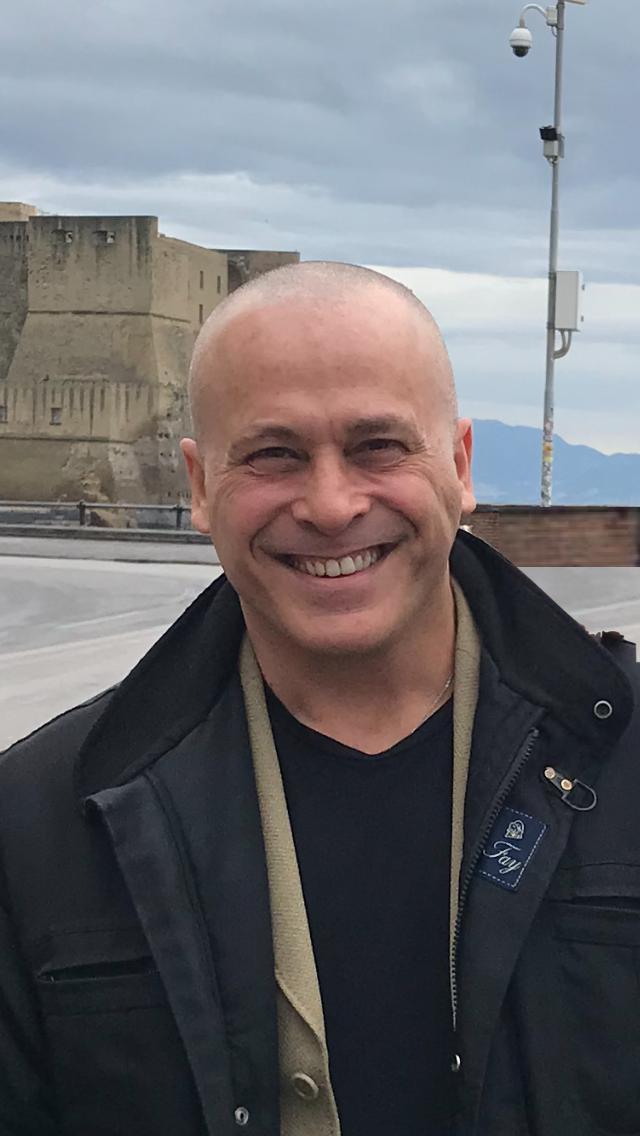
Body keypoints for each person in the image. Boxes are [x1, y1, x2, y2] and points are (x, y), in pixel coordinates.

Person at [0, 262, 638, 1136]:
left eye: (378, 446)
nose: (331, 506)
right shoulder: (40, 823)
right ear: (199, 486)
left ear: (459, 465)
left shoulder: (625, 759)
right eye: (275, 455)